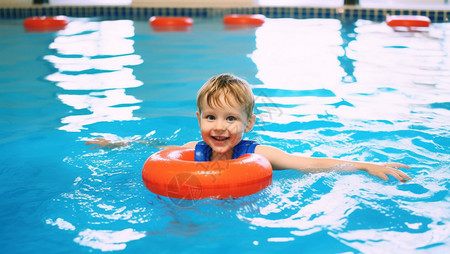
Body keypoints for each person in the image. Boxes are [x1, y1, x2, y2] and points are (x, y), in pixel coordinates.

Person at [86, 74, 411, 182]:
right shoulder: (195, 151)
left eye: (230, 119)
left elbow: (312, 164)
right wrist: (118, 144)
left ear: (248, 123)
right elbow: (157, 149)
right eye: (211, 117)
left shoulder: (258, 153)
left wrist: (367, 165)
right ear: (199, 119)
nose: (220, 128)